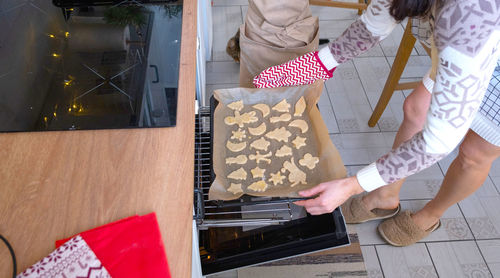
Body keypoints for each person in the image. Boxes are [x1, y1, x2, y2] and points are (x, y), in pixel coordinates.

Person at [253, 0, 500, 246]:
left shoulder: (466, 17)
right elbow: (369, 29)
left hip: (477, 40)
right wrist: (299, 70)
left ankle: (431, 214)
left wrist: (354, 184)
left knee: (474, 153)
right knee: (416, 109)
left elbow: (438, 141)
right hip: (466, 49)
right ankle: (386, 195)